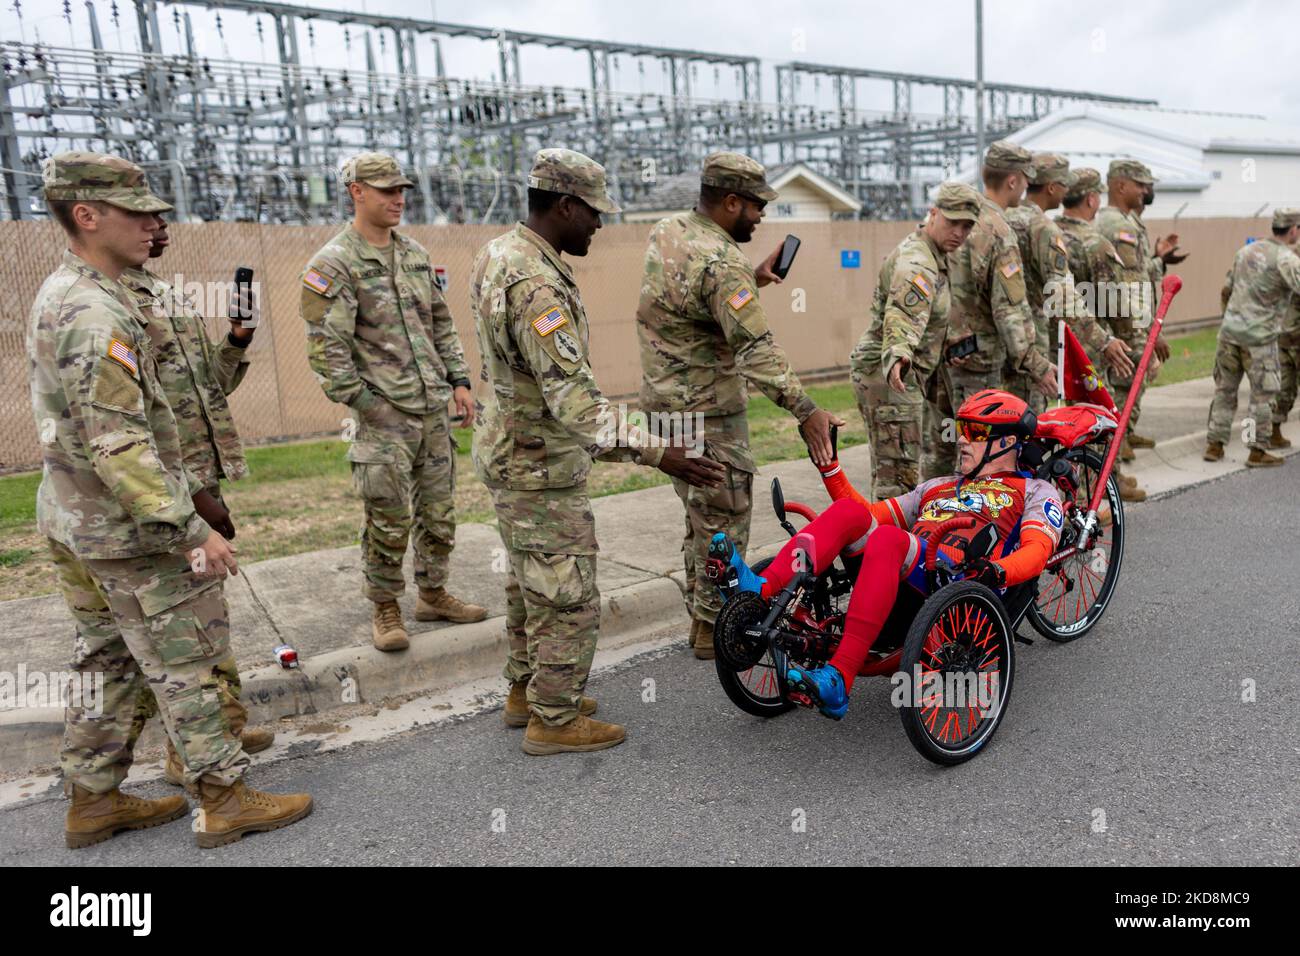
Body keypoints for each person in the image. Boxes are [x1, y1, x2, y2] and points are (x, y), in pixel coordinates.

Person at [31, 151, 310, 848]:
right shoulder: (94, 310)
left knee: (110, 657)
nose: (153, 223)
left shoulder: (94, 292)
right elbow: (118, 443)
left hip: (82, 519)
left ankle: (93, 803)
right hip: (129, 526)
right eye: (136, 211)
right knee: (184, 661)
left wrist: (236, 342)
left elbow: (171, 404)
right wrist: (191, 525)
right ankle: (223, 799)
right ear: (87, 216)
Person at [471, 148, 726, 755]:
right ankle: (553, 720)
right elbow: (580, 409)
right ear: (564, 206)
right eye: (593, 213)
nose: (599, 225)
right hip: (537, 461)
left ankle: (525, 692)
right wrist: (660, 453)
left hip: (510, 450)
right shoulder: (536, 284)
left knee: (528, 584)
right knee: (568, 592)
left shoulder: (500, 252)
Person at [712, 389, 1063, 720]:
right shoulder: (937, 485)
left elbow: (1037, 552)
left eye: (973, 431)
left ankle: (839, 678)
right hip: (905, 572)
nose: (960, 439)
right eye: (960, 429)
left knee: (888, 540)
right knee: (849, 513)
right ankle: (758, 591)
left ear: (1007, 442)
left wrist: (997, 571)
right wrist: (830, 467)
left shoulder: (1035, 491)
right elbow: (869, 513)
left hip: (954, 582)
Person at [636, 151, 843, 661]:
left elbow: (695, 300)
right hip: (709, 414)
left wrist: (751, 278)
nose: (761, 215)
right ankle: (715, 629)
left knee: (698, 518)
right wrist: (806, 409)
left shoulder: (669, 232)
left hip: (666, 410)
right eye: (755, 206)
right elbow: (757, 349)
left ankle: (700, 619)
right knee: (724, 521)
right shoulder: (722, 262)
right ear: (730, 202)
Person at [301, 152, 486, 653]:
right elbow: (326, 349)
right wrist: (368, 404)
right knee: (387, 516)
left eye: (401, 189)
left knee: (439, 510)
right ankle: (385, 605)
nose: (398, 198)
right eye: (386, 190)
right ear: (356, 191)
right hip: (384, 416)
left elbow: (440, 323)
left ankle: (432, 592)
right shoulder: (333, 263)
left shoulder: (415, 255)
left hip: (432, 409)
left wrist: (460, 381)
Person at [119, 214, 276, 785]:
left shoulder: (163, 294)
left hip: (192, 483)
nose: (161, 229)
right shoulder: (112, 304)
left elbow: (205, 387)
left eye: (163, 219)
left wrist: (237, 338)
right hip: (164, 496)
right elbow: (124, 427)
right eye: (146, 220)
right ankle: (194, 758)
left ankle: (220, 727)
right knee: (179, 630)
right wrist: (193, 499)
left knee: (202, 616)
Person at [923, 141, 1055, 479]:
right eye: (1025, 180)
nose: (1026, 187)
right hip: (977, 363)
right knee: (974, 451)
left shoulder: (947, 218)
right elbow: (1008, 309)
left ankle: (923, 519)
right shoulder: (997, 229)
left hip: (939, 354)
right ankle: (960, 523)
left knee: (940, 443)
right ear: (1013, 181)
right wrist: (1036, 363)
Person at [849, 182, 981, 500]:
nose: (959, 233)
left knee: (898, 476)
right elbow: (902, 316)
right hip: (894, 378)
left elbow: (927, 315)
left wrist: (947, 341)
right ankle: (888, 548)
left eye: (967, 226)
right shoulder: (918, 264)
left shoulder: (936, 254)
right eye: (953, 222)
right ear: (933, 213)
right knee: (897, 482)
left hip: (902, 376)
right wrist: (899, 353)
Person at [1004, 153, 1134, 414]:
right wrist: (1104, 341)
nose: (1067, 190)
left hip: (1001, 344)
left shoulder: (1001, 219)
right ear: (1051, 188)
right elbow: (1063, 297)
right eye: (1064, 183)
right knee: (1025, 427)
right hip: (1031, 346)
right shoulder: (1042, 228)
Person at [1056, 167, 1145, 501]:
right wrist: (1129, 340)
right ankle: (1096, 493)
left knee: (1059, 424)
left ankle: (1069, 490)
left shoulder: (1049, 233)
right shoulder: (1095, 243)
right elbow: (1114, 302)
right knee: (1094, 420)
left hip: (1054, 343)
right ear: (1092, 199)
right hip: (1089, 347)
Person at [1096, 160, 1179, 464]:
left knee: (1134, 379)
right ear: (1120, 186)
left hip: (1122, 319)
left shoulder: (1122, 221)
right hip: (1124, 324)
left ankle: (1124, 435)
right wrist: (1148, 333)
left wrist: (1160, 259)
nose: (1146, 191)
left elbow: (1138, 273)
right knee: (1127, 381)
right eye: (1140, 185)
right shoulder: (1118, 225)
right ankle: (1116, 445)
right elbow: (1128, 287)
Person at [1204, 208, 1300, 467]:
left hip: (1229, 335)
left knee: (1225, 391)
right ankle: (1257, 450)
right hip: (1260, 340)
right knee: (1262, 396)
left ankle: (1215, 445)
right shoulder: (1287, 259)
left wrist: (1230, 319)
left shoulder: (1246, 251)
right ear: (1293, 230)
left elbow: (1226, 289)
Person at [1272, 209, 1300, 448]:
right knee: (1284, 387)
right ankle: (1273, 430)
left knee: (1284, 385)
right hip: (1288, 334)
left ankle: (1273, 430)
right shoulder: (1290, 259)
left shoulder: (1285, 257)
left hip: (1284, 333)